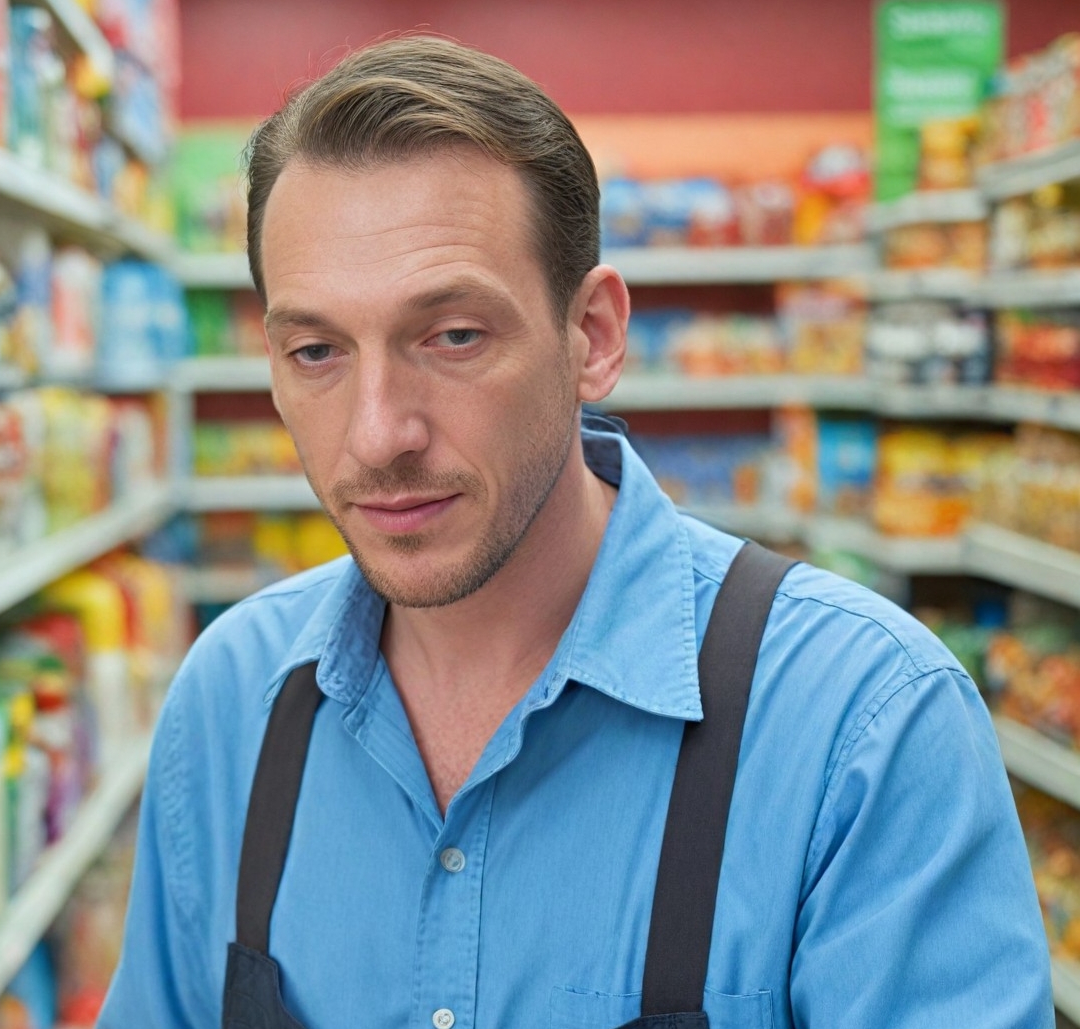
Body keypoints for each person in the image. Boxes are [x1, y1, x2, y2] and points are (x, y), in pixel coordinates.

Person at [99, 35, 1053, 1029]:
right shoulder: (232, 705)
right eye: (316, 350)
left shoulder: (862, 723)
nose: (378, 434)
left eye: (454, 336)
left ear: (592, 337)